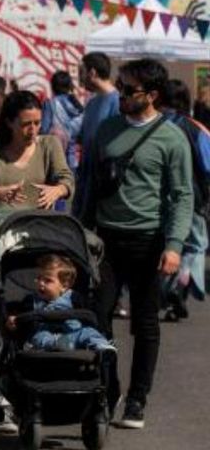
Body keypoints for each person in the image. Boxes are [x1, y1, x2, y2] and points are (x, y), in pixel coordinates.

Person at [82, 58, 193, 430]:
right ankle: (108, 389)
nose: (122, 95)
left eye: (129, 90)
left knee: (145, 324)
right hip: (104, 240)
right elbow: (89, 182)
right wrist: (80, 229)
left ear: (153, 95)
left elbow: (182, 196)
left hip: (148, 242)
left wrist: (174, 245)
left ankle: (137, 399)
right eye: (120, 87)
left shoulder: (172, 138)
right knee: (97, 317)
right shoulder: (108, 129)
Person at [157, 79, 210, 322]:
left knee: (167, 245)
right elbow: (208, 166)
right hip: (191, 197)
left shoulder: (152, 125)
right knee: (195, 246)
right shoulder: (195, 128)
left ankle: (166, 294)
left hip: (156, 199)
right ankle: (180, 283)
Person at [0, 91, 74, 212]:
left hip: (40, 221)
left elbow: (67, 179)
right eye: (26, 124)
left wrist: (58, 190)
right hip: (2, 221)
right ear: (9, 122)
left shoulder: (50, 145)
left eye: (37, 123)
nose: (32, 130)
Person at [6, 254, 114, 353]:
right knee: (38, 337)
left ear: (64, 286)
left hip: (72, 335)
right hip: (46, 335)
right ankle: (56, 345)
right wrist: (14, 322)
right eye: (39, 278)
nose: (41, 283)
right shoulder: (31, 301)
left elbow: (91, 313)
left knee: (88, 332)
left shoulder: (74, 298)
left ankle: (102, 347)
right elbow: (20, 316)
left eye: (47, 281)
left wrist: (100, 325)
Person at [73, 52, 119, 217]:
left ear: (92, 72)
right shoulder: (92, 102)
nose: (79, 79)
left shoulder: (117, 102)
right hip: (85, 184)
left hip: (104, 186)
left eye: (81, 72)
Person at [41, 70, 84, 173]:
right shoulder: (77, 105)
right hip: (74, 161)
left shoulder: (50, 104)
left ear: (53, 86)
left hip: (56, 159)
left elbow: (44, 131)